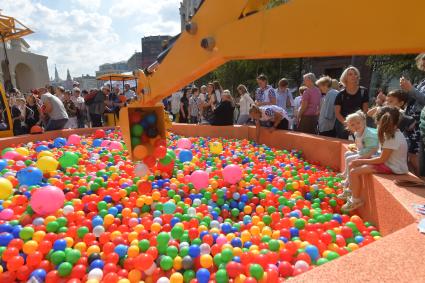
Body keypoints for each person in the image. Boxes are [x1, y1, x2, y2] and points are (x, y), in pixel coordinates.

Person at [341, 106, 408, 211]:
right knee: (353, 165)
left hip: (393, 167)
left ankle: (355, 200)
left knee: (354, 171)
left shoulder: (392, 137)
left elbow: (381, 160)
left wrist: (362, 160)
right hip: (388, 163)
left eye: (376, 122)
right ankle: (351, 191)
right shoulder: (391, 132)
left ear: (380, 122)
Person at [338, 111, 379, 199]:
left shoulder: (369, 134)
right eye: (352, 125)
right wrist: (356, 148)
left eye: (358, 123)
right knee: (347, 154)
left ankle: (348, 181)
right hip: (364, 151)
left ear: (364, 121)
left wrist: (361, 157)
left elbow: (373, 149)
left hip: (372, 155)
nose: (356, 126)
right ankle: (346, 174)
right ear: (348, 127)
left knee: (350, 159)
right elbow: (361, 144)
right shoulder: (357, 132)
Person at [400, 53, 425, 176]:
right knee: (409, 152)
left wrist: (411, 89)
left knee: (415, 155)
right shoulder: (422, 81)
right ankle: (415, 179)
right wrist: (406, 90)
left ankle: (420, 183)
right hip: (411, 121)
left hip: (419, 124)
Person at [334, 66, 369, 139]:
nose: (353, 76)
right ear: (345, 78)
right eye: (350, 74)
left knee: (359, 147)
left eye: (355, 74)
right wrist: (348, 125)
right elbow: (337, 113)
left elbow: (365, 111)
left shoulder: (363, 91)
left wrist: (357, 125)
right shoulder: (341, 94)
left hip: (359, 125)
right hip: (343, 126)